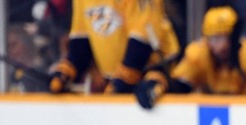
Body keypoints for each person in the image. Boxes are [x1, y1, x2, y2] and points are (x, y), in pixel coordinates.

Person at [134, 5, 246, 109]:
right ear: (206, 39)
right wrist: (157, 81)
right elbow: (179, 86)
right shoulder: (198, 54)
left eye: (225, 37)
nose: (221, 46)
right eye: (214, 38)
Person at [49, 0, 179, 94]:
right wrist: (70, 68)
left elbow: (144, 34)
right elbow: (82, 36)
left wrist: (128, 72)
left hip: (154, 71)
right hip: (115, 79)